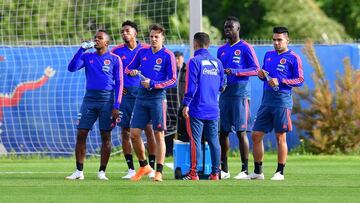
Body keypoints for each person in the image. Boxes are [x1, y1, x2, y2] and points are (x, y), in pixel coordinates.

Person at [247, 26, 304, 180]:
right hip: (266, 101)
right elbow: (265, 73)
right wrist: (261, 74)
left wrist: (281, 80)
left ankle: (280, 172)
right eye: (274, 40)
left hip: (282, 101)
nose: (276, 43)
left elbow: (299, 80)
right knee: (256, 135)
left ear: (287, 40)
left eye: (279, 40)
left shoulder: (293, 57)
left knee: (280, 137)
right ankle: (258, 172)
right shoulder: (269, 55)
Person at [66, 30, 123, 180]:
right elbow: (71, 68)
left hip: (107, 100)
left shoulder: (115, 59)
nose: (96, 40)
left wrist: (116, 105)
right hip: (89, 100)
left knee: (105, 135)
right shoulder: (87, 56)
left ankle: (102, 172)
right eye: (95, 38)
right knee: (81, 133)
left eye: (100, 38)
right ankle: (79, 171)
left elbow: (119, 83)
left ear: (107, 42)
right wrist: (81, 49)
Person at [125, 24, 177, 182]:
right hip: (141, 97)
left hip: (157, 98)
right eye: (151, 36)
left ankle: (159, 171)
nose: (153, 39)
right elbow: (128, 68)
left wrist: (153, 83)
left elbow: (173, 80)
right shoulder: (142, 52)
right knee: (133, 134)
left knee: (158, 135)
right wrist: (132, 71)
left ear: (162, 38)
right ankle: (144, 166)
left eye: (157, 36)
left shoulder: (168, 55)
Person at [111, 20, 157, 179]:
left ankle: (151, 167)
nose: (124, 33)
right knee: (125, 131)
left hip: (143, 95)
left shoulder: (146, 49)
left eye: (127, 31)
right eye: (122, 31)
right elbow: (110, 71)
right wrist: (116, 86)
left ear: (135, 33)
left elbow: (152, 70)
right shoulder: (116, 51)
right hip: (125, 96)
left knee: (149, 130)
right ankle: (131, 169)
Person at [217, 16, 260, 179]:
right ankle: (225, 169)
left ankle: (244, 170)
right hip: (225, 94)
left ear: (238, 29)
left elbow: (256, 69)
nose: (227, 29)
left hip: (241, 93)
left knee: (241, 132)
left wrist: (236, 71)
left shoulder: (245, 47)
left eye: (230, 27)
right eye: (225, 27)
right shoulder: (221, 50)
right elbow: (220, 72)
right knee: (223, 132)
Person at [182, 32, 224, 181]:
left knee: (195, 141)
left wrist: (186, 104)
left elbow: (191, 86)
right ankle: (215, 174)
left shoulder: (194, 61)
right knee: (214, 142)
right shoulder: (217, 63)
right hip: (213, 108)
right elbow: (222, 86)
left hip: (197, 108)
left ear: (195, 44)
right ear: (208, 44)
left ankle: (193, 173)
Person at [174, 51, 189, 142]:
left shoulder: (187, 70)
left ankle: (184, 146)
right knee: (169, 129)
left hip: (184, 105)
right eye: (174, 58)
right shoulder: (171, 71)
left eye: (178, 58)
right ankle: (169, 152)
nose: (176, 61)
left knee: (183, 128)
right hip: (172, 105)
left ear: (182, 58)